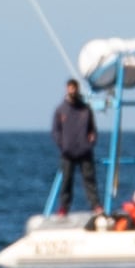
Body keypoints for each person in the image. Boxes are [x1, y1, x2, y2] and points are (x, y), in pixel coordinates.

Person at [50, 77, 100, 210]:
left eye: (74, 87)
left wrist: (91, 142)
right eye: (70, 87)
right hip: (68, 153)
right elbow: (56, 130)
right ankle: (64, 207)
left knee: (90, 180)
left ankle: (95, 205)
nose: (72, 90)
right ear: (67, 89)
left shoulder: (85, 109)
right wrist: (63, 145)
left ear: (77, 89)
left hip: (85, 151)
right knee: (66, 181)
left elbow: (92, 129)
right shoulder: (60, 110)